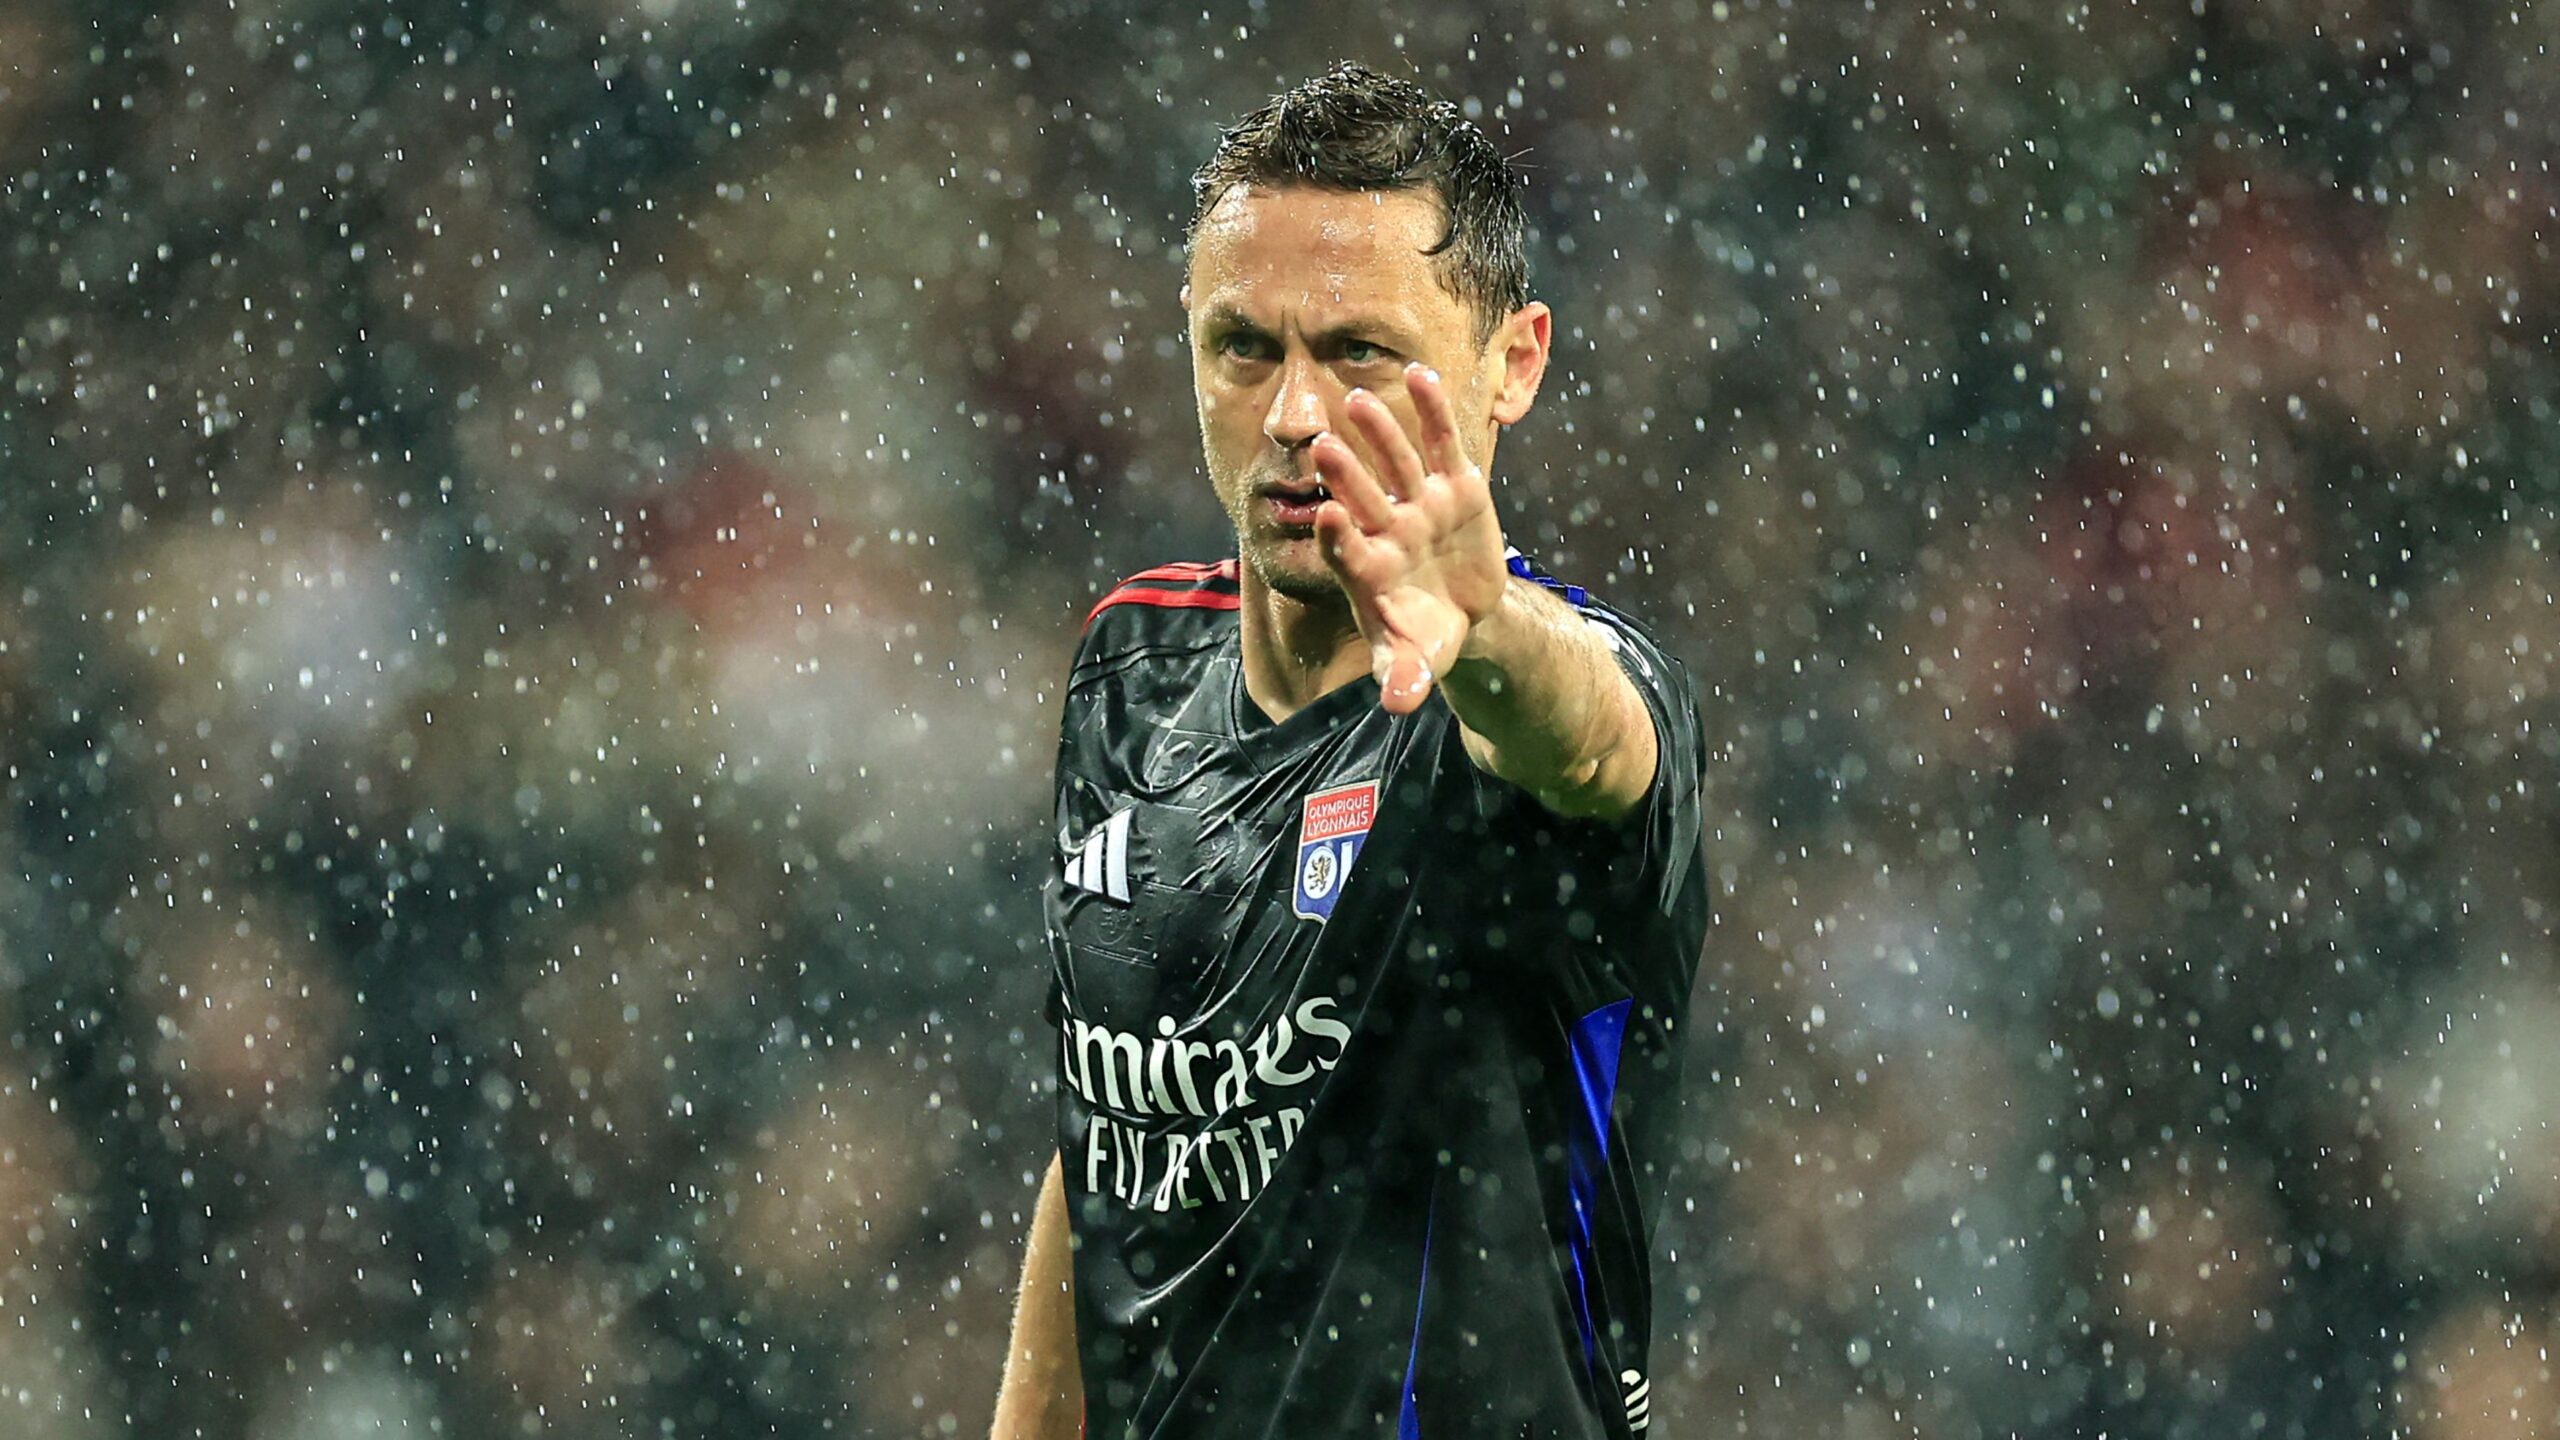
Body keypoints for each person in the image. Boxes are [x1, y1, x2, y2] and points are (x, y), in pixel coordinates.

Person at [991, 62, 1708, 1440]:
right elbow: (1109, 1149)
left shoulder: (1514, 710)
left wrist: (1487, 628)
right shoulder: (1131, 668)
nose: (1293, 414)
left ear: (1514, 363)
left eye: (1360, 352)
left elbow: (1588, 744)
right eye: (1243, 346)